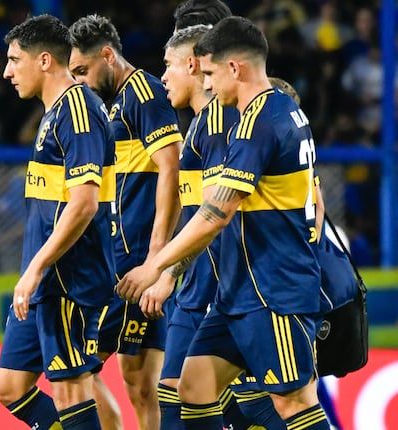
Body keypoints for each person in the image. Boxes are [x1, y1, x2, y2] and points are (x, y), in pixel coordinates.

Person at [117, 17, 330, 430]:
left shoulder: (258, 123)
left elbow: (216, 213)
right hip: (241, 289)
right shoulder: (283, 110)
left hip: (272, 291)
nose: (209, 85)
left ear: (235, 68)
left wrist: (155, 266)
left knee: (294, 403)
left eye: (211, 74)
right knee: (194, 388)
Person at [0, 14, 116, 430]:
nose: (6, 71)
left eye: (14, 60)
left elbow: (83, 205)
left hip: (69, 276)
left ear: (44, 60)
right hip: (45, 278)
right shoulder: (53, 113)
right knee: (10, 386)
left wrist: (36, 267)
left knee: (71, 389)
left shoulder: (79, 111)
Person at [68, 14, 182, 430]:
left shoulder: (144, 93)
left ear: (107, 55)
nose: (79, 82)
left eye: (82, 71)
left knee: (76, 367)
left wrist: (157, 259)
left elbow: (171, 168)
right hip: (117, 260)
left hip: (133, 266)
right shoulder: (111, 103)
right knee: (138, 382)